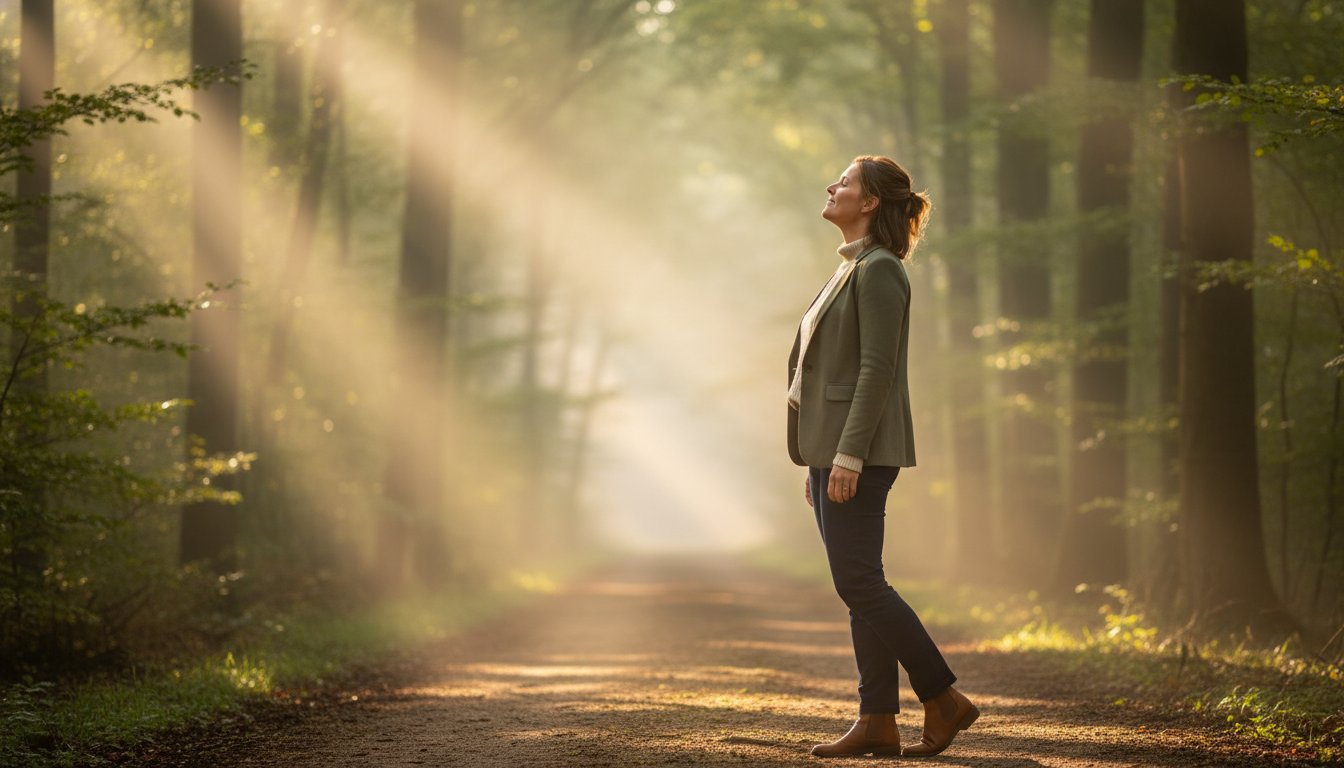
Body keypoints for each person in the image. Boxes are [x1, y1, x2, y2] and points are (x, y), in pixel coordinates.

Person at [787, 155, 979, 758]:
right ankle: (877, 720)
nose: (831, 186)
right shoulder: (850, 269)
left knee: (861, 581)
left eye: (843, 181)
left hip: (859, 450)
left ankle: (944, 698)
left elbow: (876, 371)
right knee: (857, 584)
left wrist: (847, 456)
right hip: (834, 449)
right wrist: (821, 456)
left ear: (869, 201)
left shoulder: (881, 271)